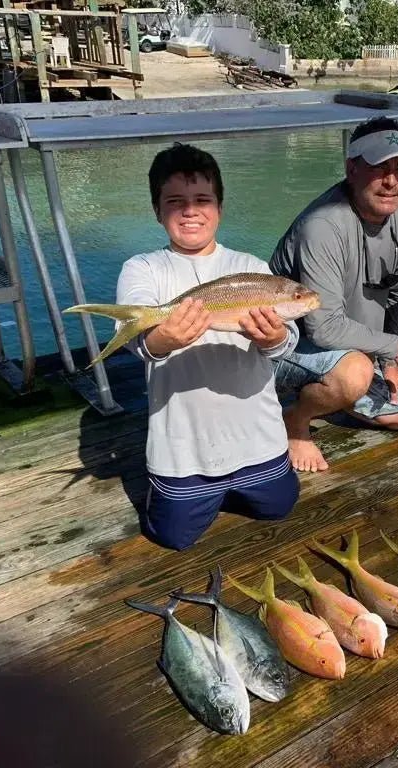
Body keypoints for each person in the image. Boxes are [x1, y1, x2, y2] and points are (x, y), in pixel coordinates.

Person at [115, 143, 300, 551]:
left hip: (257, 439)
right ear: (156, 209)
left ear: (220, 206)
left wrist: (275, 337)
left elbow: (287, 343)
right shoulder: (143, 268)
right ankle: (178, 492)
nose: (190, 211)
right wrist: (163, 337)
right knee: (172, 537)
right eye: (175, 202)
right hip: (184, 450)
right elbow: (136, 339)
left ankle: (240, 486)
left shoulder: (251, 267)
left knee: (280, 506)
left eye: (202, 200)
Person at [269, 117, 398, 473]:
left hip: (352, 344)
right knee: (354, 374)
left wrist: (388, 360)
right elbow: (322, 328)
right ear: (351, 168)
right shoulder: (321, 226)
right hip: (283, 346)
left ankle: (339, 385)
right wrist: (393, 347)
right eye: (378, 168)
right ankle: (297, 419)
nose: (391, 182)